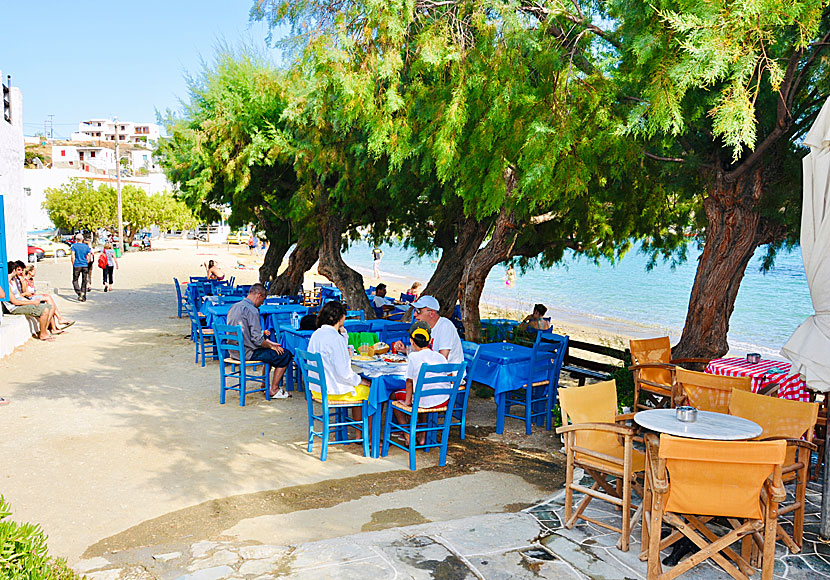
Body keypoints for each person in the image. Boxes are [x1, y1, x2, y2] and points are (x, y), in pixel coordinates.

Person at [307, 301, 372, 426]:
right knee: (373, 392)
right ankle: (366, 436)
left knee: (360, 384)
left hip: (317, 388)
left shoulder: (317, 334)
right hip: (332, 389)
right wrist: (360, 380)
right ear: (341, 317)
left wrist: (342, 331)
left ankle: (360, 433)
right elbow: (344, 373)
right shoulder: (334, 338)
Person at [391, 321, 454, 445]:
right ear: (430, 341)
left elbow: (409, 382)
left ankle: (407, 434)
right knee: (423, 394)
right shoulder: (440, 357)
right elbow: (449, 376)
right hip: (443, 400)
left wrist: (408, 402)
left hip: (423, 401)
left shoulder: (414, 357)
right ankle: (423, 435)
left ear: (412, 342)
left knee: (393, 396)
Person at [226, 283, 293, 399]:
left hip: (234, 351)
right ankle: (274, 389)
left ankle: (264, 383)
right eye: (263, 300)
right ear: (259, 295)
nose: (262, 304)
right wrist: (271, 346)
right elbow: (257, 340)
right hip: (248, 352)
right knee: (284, 354)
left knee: (271, 352)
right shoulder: (252, 310)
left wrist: (269, 344)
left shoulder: (234, 307)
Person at [393, 295, 463, 363]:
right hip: (433, 370)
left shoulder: (445, 326)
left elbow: (442, 360)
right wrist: (404, 349)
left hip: (449, 373)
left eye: (418, 310)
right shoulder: (425, 327)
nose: (414, 314)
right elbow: (422, 351)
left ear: (431, 313)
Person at [6, 261, 59, 340]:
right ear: (14, 270)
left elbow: (19, 296)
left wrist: (30, 301)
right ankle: (43, 334)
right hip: (15, 307)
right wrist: (32, 302)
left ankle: (45, 330)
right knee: (45, 309)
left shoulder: (13, 281)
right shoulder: (6, 284)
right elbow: (15, 302)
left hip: (21, 303)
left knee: (50, 307)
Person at [70, 233, 91, 301]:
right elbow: (88, 256)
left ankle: (79, 292)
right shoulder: (86, 246)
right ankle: (83, 294)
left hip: (77, 265)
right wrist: (87, 262)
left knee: (75, 280)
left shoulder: (74, 246)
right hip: (84, 265)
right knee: (84, 280)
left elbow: (72, 256)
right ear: (82, 239)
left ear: (76, 239)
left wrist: (73, 263)